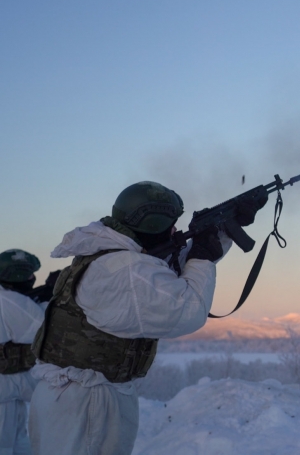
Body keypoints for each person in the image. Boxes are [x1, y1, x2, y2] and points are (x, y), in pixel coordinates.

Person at [27, 181, 265, 455]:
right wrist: (202, 256)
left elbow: (164, 277)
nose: (174, 231)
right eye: (170, 225)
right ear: (152, 224)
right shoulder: (126, 270)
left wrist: (221, 230)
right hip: (88, 401)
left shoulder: (113, 257)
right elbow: (186, 309)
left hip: (78, 394)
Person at [0, 249, 48, 455]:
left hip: (8, 392)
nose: (32, 279)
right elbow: (44, 331)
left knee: (17, 441)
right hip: (6, 388)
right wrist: (49, 297)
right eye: (29, 275)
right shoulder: (12, 301)